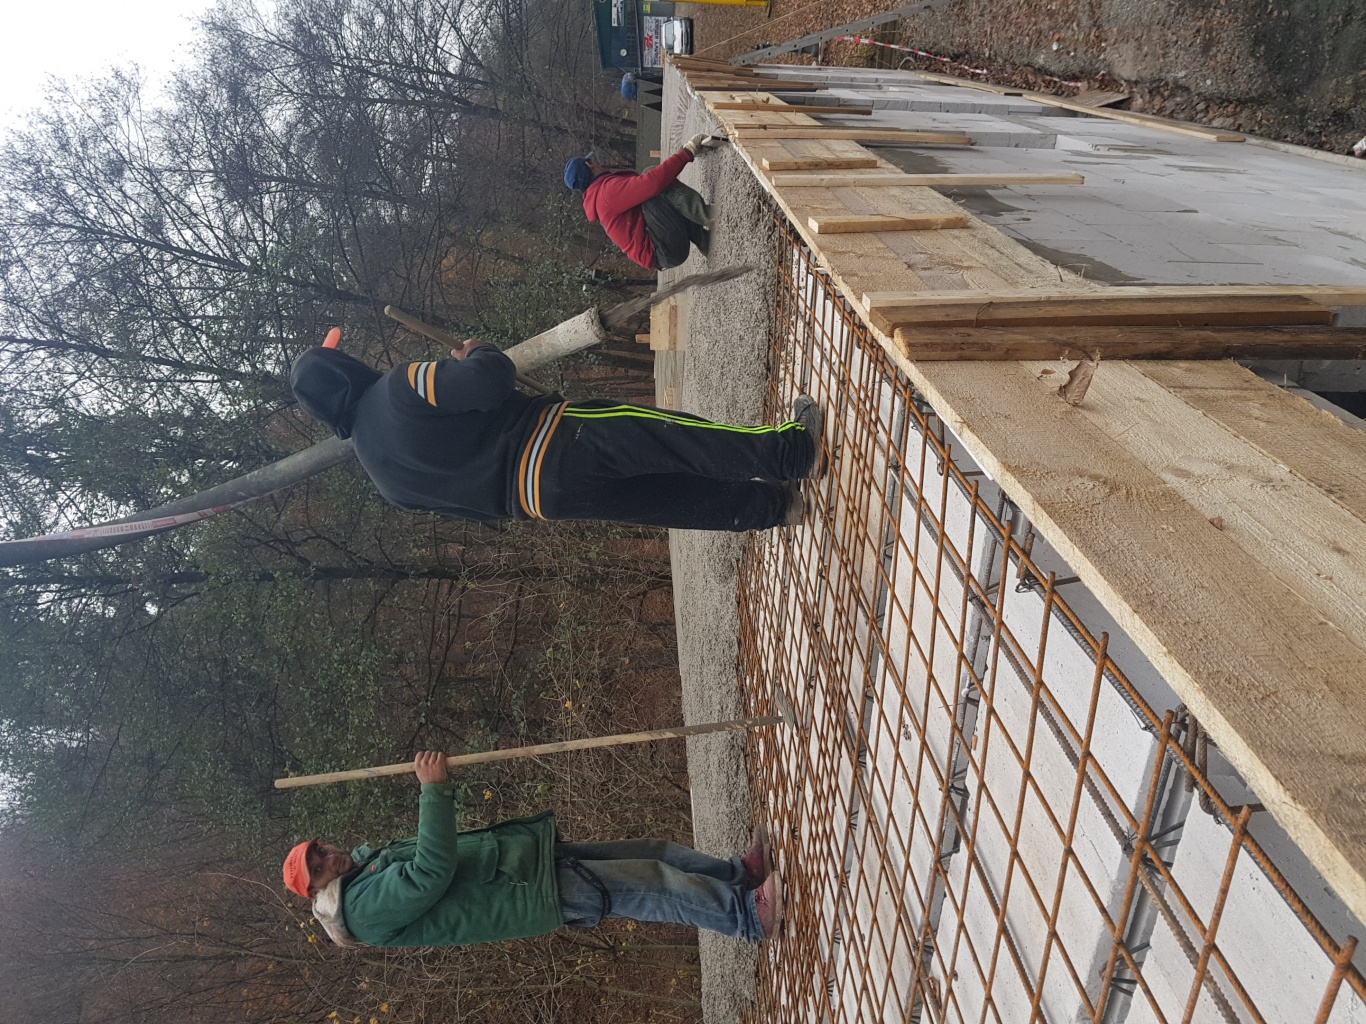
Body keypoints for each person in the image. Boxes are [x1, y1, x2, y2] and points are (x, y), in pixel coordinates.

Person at [288, 335, 825, 531]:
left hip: (542, 502)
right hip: (557, 439)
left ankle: (774, 509)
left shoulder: (383, 481)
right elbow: (490, 380)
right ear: (344, 370)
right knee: (673, 438)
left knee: (666, 500)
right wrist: (476, 351)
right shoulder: (399, 387)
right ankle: (793, 452)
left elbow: (472, 513)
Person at [282, 751, 784, 948]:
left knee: (652, 852)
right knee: (650, 886)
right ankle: (745, 917)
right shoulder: (361, 912)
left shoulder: (367, 868)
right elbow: (430, 872)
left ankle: (738, 876)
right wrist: (433, 790)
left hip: (526, 863)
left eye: (319, 852)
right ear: (318, 892)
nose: (328, 860)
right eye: (318, 870)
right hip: (526, 891)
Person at [564, 133, 725, 271]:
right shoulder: (606, 194)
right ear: (590, 165)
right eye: (593, 161)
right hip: (665, 250)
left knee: (655, 192)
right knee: (652, 187)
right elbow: (653, 183)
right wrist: (687, 153)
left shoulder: (600, 196)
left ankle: (706, 242)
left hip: (663, 251)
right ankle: (711, 215)